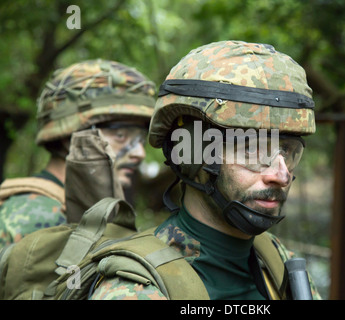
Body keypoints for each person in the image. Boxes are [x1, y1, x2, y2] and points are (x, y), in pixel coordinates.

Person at [90, 40, 320, 300]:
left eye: (287, 152)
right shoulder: (135, 290)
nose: (281, 175)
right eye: (252, 151)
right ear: (192, 156)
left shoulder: (278, 263)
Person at [0, 59, 156, 248]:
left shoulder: (82, 214)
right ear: (71, 137)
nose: (139, 153)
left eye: (140, 139)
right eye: (121, 135)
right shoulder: (38, 217)